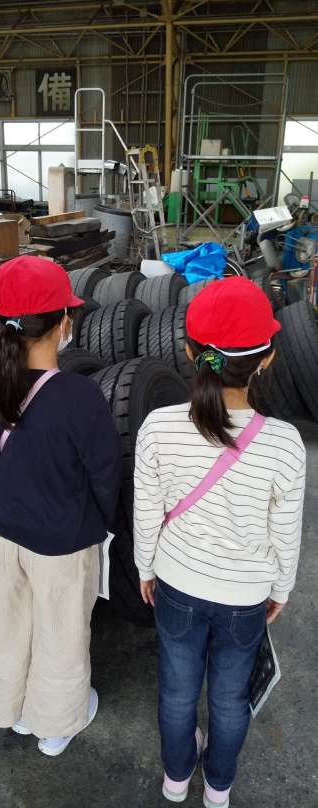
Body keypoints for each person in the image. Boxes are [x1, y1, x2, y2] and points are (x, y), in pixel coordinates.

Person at [133, 277, 305, 808]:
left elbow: (146, 512)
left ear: (189, 352)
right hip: (245, 597)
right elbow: (285, 533)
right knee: (230, 700)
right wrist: (281, 589)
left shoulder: (158, 427)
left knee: (177, 691)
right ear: (267, 359)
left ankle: (175, 780)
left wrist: (145, 569)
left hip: (177, 585)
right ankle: (218, 789)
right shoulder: (285, 444)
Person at [0, 255, 121, 757]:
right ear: (63, 322)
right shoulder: (81, 396)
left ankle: (13, 711)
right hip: (61, 540)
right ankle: (55, 726)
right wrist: (101, 523)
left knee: (6, 625)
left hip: (1, 530)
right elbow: (104, 475)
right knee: (60, 632)